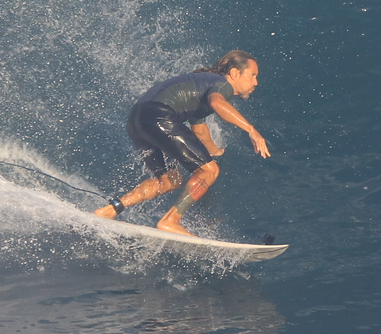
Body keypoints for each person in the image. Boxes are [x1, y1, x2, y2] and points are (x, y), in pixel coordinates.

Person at [94, 50, 272, 236]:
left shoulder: (203, 85)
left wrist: (216, 152)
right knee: (209, 171)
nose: (256, 82)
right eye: (253, 76)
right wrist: (252, 130)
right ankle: (171, 220)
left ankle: (110, 210)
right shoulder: (222, 85)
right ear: (235, 73)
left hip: (137, 120)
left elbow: (199, 130)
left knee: (170, 181)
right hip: (159, 116)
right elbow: (217, 103)